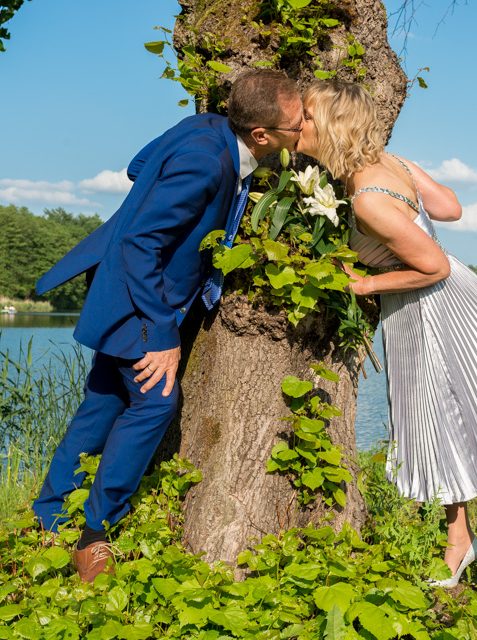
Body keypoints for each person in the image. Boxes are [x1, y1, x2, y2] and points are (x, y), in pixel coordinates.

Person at [33, 69, 303, 583]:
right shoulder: (205, 161)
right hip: (140, 299)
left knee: (105, 401)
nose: (304, 127)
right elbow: (140, 245)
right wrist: (162, 336)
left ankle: (49, 515)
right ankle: (93, 535)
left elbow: (140, 166)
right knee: (156, 400)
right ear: (263, 136)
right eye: (297, 123)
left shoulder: (202, 126)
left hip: (126, 287)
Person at [295, 80, 477, 584]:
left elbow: (435, 264)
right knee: (437, 424)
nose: (300, 125)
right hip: (423, 306)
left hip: (439, 302)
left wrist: (365, 283)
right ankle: (459, 541)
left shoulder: (365, 201)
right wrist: (409, 181)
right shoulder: (393, 163)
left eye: (309, 118)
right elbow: (448, 208)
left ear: (333, 126)